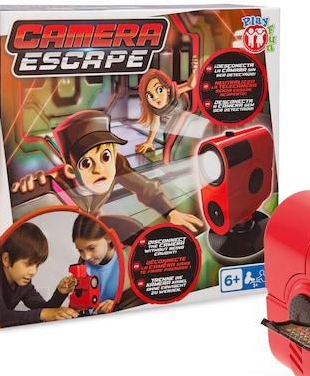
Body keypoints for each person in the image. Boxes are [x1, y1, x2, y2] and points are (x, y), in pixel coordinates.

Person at [11, 110, 203, 244]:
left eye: (105, 156)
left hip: (92, 226)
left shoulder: (116, 164)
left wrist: (170, 212)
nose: (100, 169)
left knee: (134, 229)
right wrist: (23, 192)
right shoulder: (54, 185)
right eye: (87, 163)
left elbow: (144, 187)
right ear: (70, 170)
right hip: (64, 240)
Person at [0, 222, 78, 327]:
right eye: (28, 264)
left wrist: (60, 293)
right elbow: (0, 316)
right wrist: (43, 314)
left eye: (37, 265)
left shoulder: (24, 284)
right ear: (6, 260)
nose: (33, 272)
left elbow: (45, 309)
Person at [135, 56, 198, 154]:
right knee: (168, 133)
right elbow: (155, 123)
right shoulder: (156, 108)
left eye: (159, 90)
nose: (156, 98)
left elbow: (191, 85)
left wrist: (194, 71)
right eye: (150, 96)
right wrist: (149, 142)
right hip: (176, 117)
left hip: (191, 112)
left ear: (166, 88)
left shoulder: (174, 92)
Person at [71, 214, 120, 315]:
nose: (86, 257)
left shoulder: (126, 259)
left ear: (108, 237)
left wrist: (116, 305)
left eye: (92, 248)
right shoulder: (83, 266)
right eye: (80, 250)